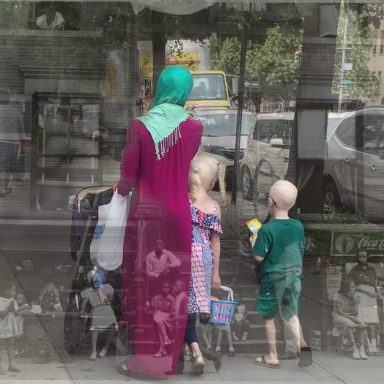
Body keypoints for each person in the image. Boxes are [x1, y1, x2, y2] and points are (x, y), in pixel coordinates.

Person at [114, 65, 203, 378]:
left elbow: (127, 176)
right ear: (184, 90)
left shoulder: (140, 126)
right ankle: (170, 357)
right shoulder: (194, 127)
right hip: (178, 213)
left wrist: (120, 189)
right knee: (174, 286)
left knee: (144, 285)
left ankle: (146, 361)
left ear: (161, 87)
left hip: (146, 215)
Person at [250, 180, 311, 369]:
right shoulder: (298, 226)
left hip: (273, 278)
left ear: (270, 202)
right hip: (294, 277)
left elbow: (259, 257)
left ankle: (272, 356)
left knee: (269, 317)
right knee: (291, 314)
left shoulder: (267, 229)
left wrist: (254, 244)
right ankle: (303, 346)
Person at [186, 154, 226, 374]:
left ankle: (195, 351)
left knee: (183, 305)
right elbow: (215, 240)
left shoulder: (182, 200)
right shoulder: (213, 207)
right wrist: (216, 273)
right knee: (196, 305)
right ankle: (197, 350)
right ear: (212, 183)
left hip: (184, 255)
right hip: (204, 258)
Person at [349, 251, 381, 356]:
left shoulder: (372, 268)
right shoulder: (354, 270)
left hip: (372, 297)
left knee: (372, 321)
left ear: (367, 257)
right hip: (361, 295)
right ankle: (365, 345)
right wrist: (367, 291)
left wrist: (377, 293)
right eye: (360, 256)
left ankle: (373, 346)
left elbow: (375, 283)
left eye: (364, 256)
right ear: (357, 258)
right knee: (363, 321)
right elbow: (353, 285)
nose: (362, 258)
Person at [80, 270, 117, 361]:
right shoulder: (87, 292)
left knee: (112, 326)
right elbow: (83, 305)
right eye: (95, 279)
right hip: (97, 310)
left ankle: (105, 348)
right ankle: (93, 351)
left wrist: (106, 299)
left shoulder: (106, 287)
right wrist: (82, 311)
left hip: (107, 308)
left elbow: (111, 297)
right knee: (94, 328)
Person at [332, 279, 368, 360]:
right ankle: (354, 348)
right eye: (352, 287)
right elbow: (340, 312)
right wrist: (353, 319)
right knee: (347, 323)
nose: (354, 288)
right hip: (339, 316)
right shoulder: (337, 296)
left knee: (361, 324)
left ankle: (362, 349)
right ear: (346, 289)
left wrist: (352, 300)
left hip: (351, 315)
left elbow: (355, 313)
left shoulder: (355, 297)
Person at [0, 89, 25, 198]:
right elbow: (21, 130)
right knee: (7, 167)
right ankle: (4, 188)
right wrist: (23, 146)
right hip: (11, 143)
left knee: (2, 167)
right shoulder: (15, 112)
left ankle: (3, 188)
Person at [145, 239, 181, 303]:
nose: (158, 246)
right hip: (156, 277)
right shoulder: (150, 256)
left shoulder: (167, 253)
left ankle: (175, 290)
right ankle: (147, 302)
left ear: (163, 245)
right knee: (149, 278)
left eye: (160, 244)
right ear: (154, 246)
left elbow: (178, 262)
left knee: (177, 268)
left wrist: (169, 266)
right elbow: (148, 272)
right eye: (157, 244)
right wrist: (158, 275)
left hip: (166, 275)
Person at [0, 282, 23, 374]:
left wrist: (13, 309)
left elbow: (17, 313)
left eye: (15, 291)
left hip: (10, 325)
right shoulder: (0, 300)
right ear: (6, 291)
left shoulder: (13, 300)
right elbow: (1, 315)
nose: (14, 293)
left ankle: (11, 365)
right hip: (2, 325)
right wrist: (8, 309)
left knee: (11, 345)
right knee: (1, 346)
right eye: (12, 291)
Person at [152, 281, 175, 357]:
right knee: (158, 317)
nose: (165, 289)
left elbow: (172, 312)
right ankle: (165, 341)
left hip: (169, 319)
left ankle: (162, 348)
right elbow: (155, 311)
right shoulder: (156, 298)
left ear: (169, 289)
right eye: (163, 287)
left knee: (159, 325)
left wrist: (164, 316)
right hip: (158, 317)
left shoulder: (172, 299)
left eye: (166, 287)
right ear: (160, 288)